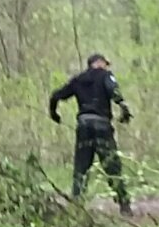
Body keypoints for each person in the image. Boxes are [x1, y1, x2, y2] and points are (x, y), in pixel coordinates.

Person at [49, 53, 132, 215]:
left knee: (81, 168)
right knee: (112, 165)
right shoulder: (106, 76)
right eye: (105, 63)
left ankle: (77, 205)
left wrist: (54, 113)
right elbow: (113, 91)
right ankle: (124, 205)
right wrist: (123, 108)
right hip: (102, 126)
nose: (106, 67)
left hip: (84, 126)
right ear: (99, 63)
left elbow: (56, 95)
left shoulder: (78, 80)